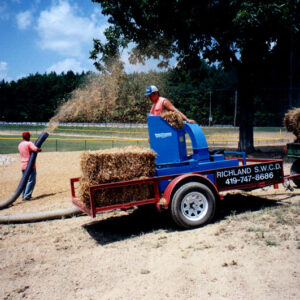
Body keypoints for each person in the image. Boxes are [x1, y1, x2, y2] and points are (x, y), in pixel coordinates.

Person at [18, 131, 41, 201]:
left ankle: (23, 195)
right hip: (30, 165)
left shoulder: (20, 144)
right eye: (29, 136)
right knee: (31, 180)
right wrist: (39, 149)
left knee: (24, 181)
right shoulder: (29, 143)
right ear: (27, 137)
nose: (30, 137)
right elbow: (35, 149)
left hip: (23, 165)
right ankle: (27, 196)